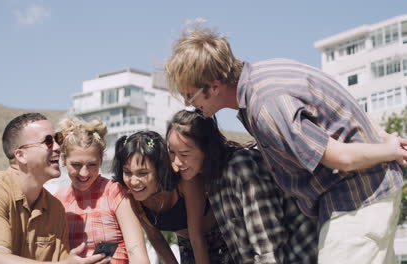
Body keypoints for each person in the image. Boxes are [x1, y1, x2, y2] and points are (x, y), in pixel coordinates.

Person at [165, 23, 407, 264]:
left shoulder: (266, 105)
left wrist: (390, 149)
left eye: (190, 95)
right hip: (360, 195)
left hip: (356, 198)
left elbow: (340, 157)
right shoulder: (266, 75)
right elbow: (345, 107)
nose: (188, 105)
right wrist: (384, 137)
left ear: (214, 86)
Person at [0, 112, 110, 264]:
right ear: (21, 155)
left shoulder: (56, 209)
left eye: (57, 139)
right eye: (47, 141)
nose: (58, 147)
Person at [166, 109, 318, 264]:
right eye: (171, 152)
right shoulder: (210, 179)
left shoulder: (240, 167)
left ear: (206, 149)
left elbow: (268, 249)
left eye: (184, 154)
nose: (176, 162)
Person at [112, 131, 231, 264]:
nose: (133, 181)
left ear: (159, 170)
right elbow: (155, 238)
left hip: (223, 238)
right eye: (127, 172)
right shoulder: (132, 196)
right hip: (186, 244)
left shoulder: (186, 182)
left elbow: (197, 236)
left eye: (143, 173)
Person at [54, 116, 150, 264]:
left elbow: (138, 257)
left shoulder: (115, 192)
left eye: (92, 165)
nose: (84, 173)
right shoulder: (57, 201)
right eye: (76, 165)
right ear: (63, 160)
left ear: (101, 160)